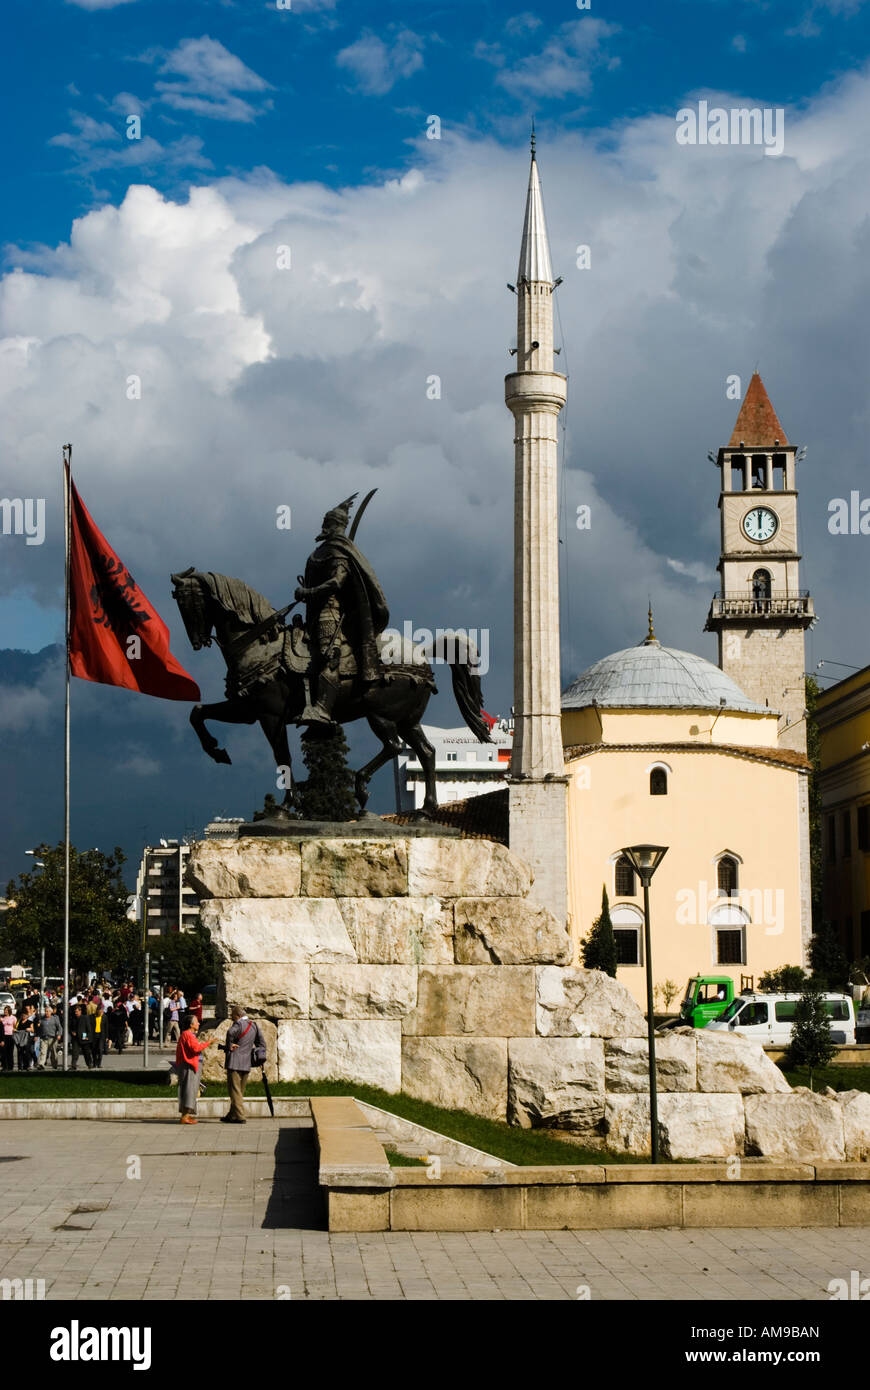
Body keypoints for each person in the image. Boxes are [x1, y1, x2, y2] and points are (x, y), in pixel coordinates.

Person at [294, 493, 389, 726]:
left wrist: (308, 592)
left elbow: (337, 582)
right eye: (323, 523)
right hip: (312, 614)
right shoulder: (317, 553)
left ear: (336, 525)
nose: (323, 527)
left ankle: (323, 710)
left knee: (329, 656)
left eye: (327, 523)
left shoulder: (339, 550)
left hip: (331, 612)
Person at [222, 1005, 261, 1124]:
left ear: (238, 1016)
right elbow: (261, 1043)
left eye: (232, 1017)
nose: (232, 1019)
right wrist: (260, 1057)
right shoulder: (254, 1025)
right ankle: (231, 1115)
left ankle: (240, 1116)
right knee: (239, 1091)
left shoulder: (238, 1024)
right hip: (246, 1062)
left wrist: (229, 1045)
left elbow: (230, 1032)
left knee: (234, 1090)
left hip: (235, 1060)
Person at [175, 1015, 213, 1124]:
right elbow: (196, 1048)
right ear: (191, 1025)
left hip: (190, 1065)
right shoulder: (188, 1035)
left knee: (190, 1089)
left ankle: (186, 1114)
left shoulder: (187, 1034)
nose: (199, 1023)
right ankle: (185, 1116)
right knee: (189, 1089)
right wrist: (208, 1043)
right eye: (196, 1022)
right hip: (189, 1066)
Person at [70, 1006, 94, 1070]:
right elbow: (70, 1027)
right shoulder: (73, 1018)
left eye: (77, 1011)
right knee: (75, 1052)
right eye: (75, 1011)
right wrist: (72, 1032)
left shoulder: (85, 1018)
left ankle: (89, 1063)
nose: (76, 1013)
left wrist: (86, 1037)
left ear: (80, 1011)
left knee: (86, 1052)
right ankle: (73, 1065)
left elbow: (88, 1028)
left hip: (84, 1038)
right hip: (75, 1038)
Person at [1, 1006, 16, 1072]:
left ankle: (10, 1067)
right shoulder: (2, 1018)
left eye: (6, 1010)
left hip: (11, 1036)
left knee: (10, 1052)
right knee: (4, 1052)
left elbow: (15, 1026)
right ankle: (5, 1066)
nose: (5, 1011)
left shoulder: (13, 1018)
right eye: (5, 1010)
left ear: (9, 1011)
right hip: (4, 1036)